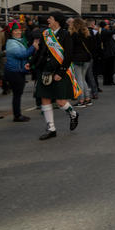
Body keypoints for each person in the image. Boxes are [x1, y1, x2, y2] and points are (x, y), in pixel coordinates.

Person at [31, 11, 81, 140]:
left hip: (59, 71)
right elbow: (41, 51)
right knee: (45, 98)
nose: (48, 20)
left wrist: (61, 72)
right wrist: (31, 63)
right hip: (46, 70)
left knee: (60, 101)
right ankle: (51, 128)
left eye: (50, 18)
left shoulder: (66, 35)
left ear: (57, 21)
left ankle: (73, 113)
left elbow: (69, 55)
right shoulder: (46, 34)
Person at [4, 20, 38, 122]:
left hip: (19, 71)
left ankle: (18, 114)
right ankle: (17, 116)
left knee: (18, 94)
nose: (18, 32)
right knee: (17, 94)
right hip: (14, 72)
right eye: (16, 31)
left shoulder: (19, 41)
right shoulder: (11, 43)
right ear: (11, 32)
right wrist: (33, 46)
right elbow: (22, 55)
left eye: (19, 30)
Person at [69, 18, 94, 107]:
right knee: (83, 79)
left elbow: (71, 48)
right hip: (87, 59)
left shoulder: (73, 35)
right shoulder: (87, 34)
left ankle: (81, 100)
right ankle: (87, 98)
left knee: (79, 79)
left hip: (77, 59)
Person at [100, 20, 115, 85]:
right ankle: (108, 81)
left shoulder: (104, 31)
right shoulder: (104, 31)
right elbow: (114, 31)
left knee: (109, 68)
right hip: (108, 53)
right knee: (108, 68)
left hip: (108, 52)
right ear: (105, 26)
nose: (109, 26)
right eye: (107, 25)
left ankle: (109, 80)